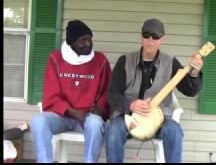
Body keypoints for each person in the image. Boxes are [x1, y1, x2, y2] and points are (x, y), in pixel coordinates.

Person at [105, 18, 203, 163]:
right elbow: (112, 94)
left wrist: (194, 73)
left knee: (174, 131)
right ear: (141, 37)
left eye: (155, 36)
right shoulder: (125, 61)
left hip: (160, 118)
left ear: (162, 39)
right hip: (128, 116)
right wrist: (130, 105)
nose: (150, 40)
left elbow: (190, 91)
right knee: (112, 131)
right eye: (146, 35)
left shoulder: (170, 62)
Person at [30, 20, 112, 163]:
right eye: (83, 40)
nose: (88, 43)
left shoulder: (100, 60)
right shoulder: (56, 58)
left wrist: (99, 108)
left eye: (89, 39)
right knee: (37, 121)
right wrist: (71, 111)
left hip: (88, 117)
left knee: (95, 123)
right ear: (71, 42)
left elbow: (107, 90)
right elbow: (51, 94)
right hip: (61, 116)